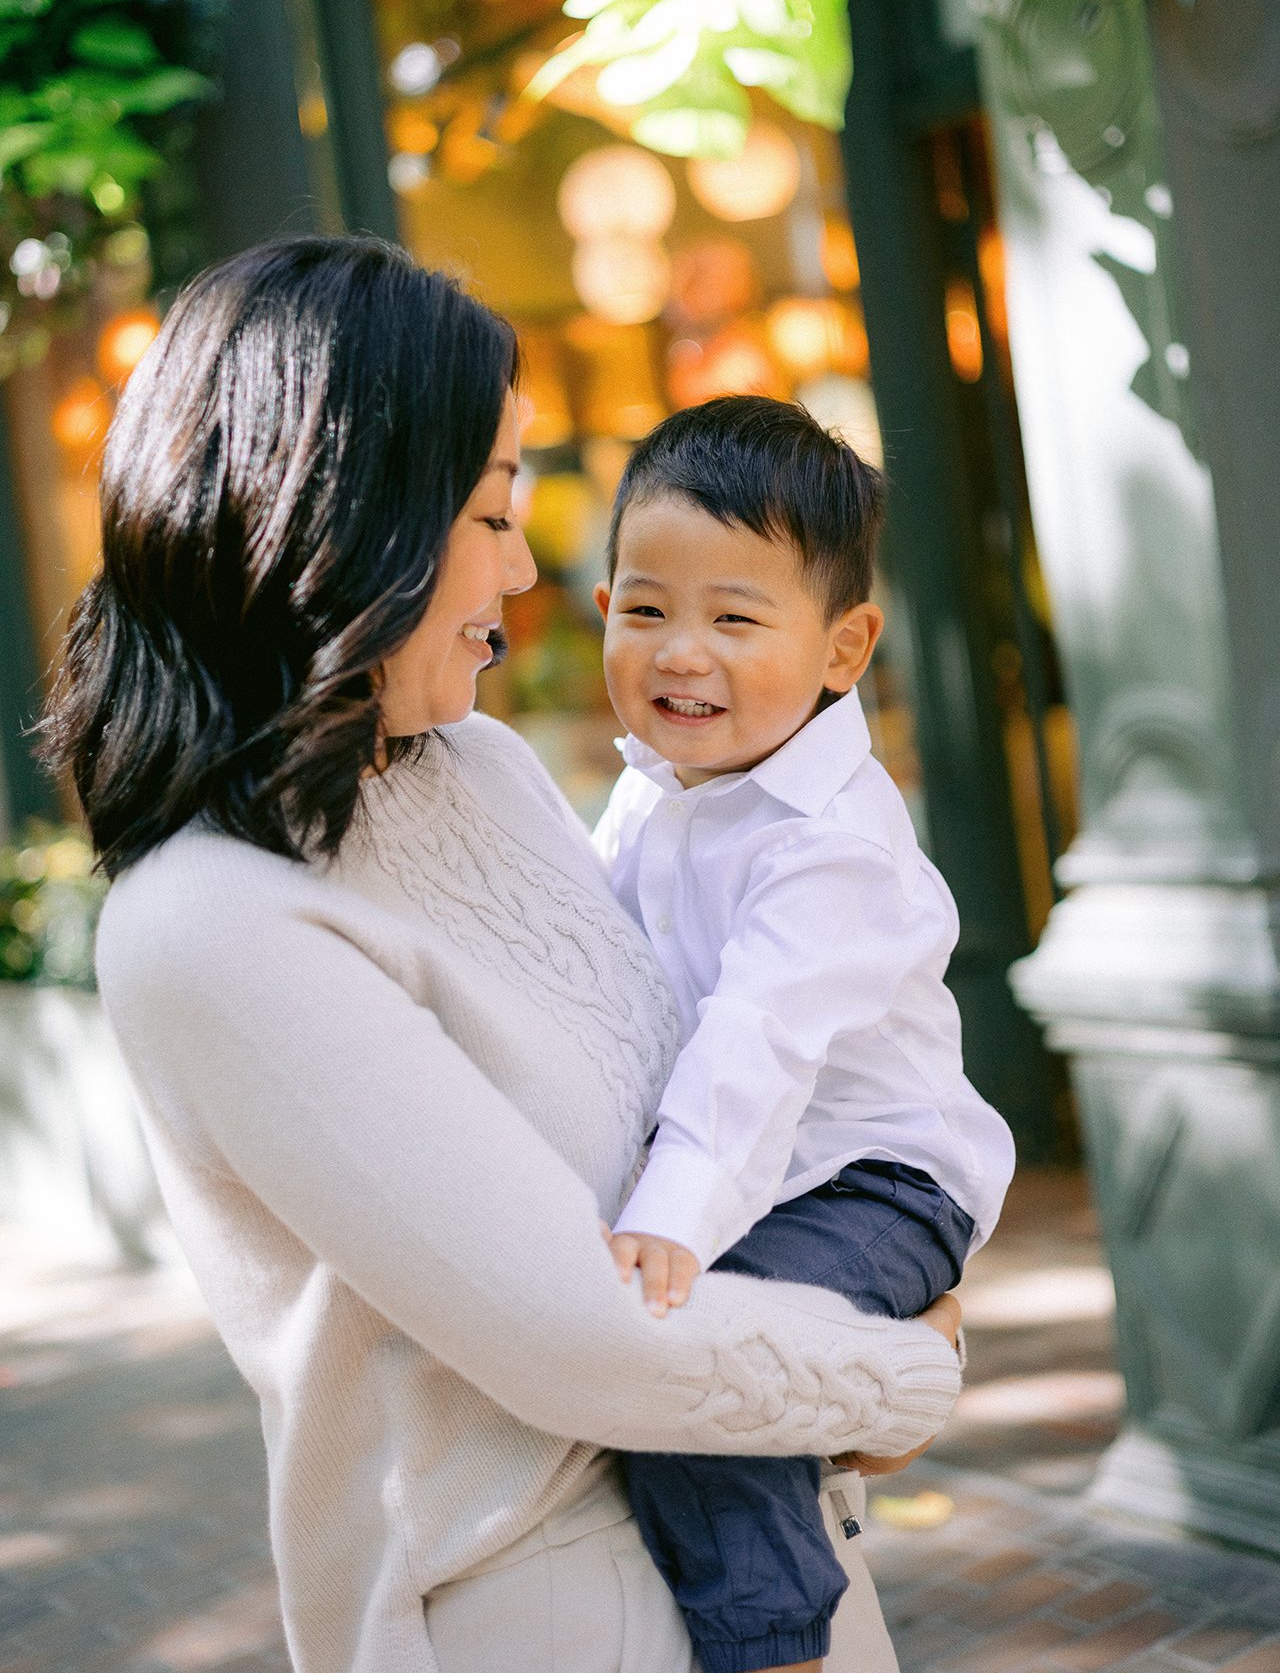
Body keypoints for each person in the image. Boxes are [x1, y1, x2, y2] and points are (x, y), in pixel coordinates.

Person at [43, 237, 962, 1673]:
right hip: (540, 1604)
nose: (531, 567)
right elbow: (578, 1342)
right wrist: (911, 1368)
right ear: (345, 523)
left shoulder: (485, 768)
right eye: (487, 511)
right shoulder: (212, 924)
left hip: (773, 1538)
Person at [590, 396, 1015, 1673]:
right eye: (643, 608)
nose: (680, 653)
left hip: (877, 1181)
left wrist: (665, 1223)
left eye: (733, 616)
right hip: (765, 1179)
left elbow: (752, 1046)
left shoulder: (828, 841)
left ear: (844, 648)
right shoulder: (648, 793)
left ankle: (780, 1648)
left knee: (700, 1376)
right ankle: (899, 1365)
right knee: (709, 1358)